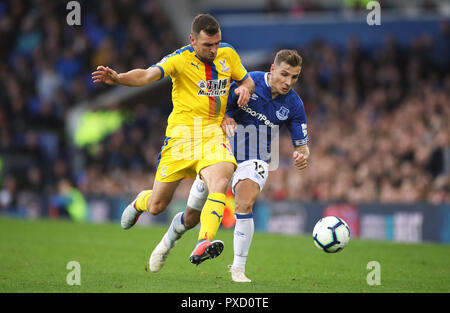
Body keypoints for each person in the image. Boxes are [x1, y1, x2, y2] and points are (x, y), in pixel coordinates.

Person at [92, 14, 255, 266]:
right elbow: (147, 75)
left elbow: (247, 80)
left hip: (212, 133)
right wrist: (119, 78)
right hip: (181, 138)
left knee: (221, 180)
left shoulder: (228, 54)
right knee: (157, 205)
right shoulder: (179, 59)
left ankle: (204, 241)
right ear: (192, 40)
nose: (213, 50)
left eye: (217, 43)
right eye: (207, 45)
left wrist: (245, 87)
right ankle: (140, 201)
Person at [149, 49, 309, 282]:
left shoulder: (294, 105)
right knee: (191, 217)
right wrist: (224, 117)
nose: (288, 82)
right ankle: (168, 241)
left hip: (255, 159)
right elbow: (214, 106)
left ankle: (238, 269)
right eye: (285, 74)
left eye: (294, 77)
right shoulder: (248, 81)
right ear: (272, 69)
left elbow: (302, 145)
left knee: (244, 204)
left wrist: (301, 154)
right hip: (218, 154)